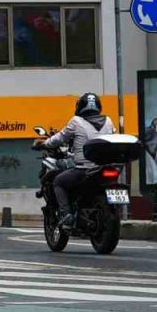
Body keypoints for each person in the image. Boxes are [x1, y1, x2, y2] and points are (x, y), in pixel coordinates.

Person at [38, 93, 115, 227]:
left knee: (58, 182)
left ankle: (66, 214)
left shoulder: (76, 121)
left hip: (83, 170)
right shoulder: (108, 121)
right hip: (103, 167)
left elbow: (60, 137)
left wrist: (45, 144)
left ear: (80, 106)